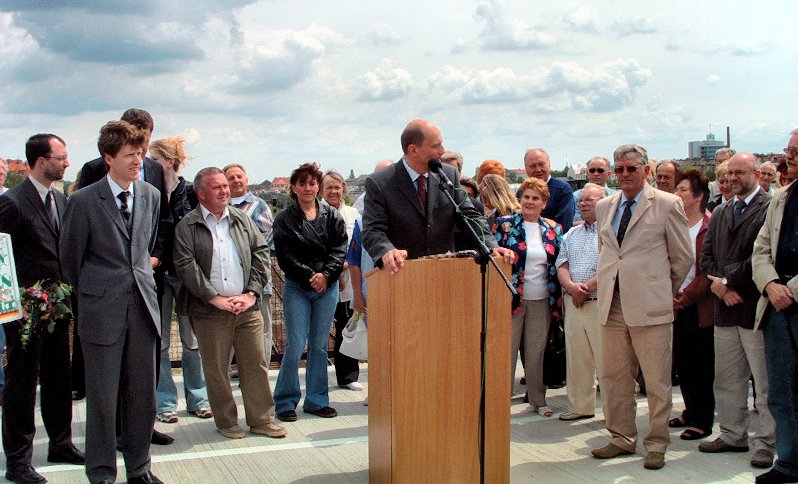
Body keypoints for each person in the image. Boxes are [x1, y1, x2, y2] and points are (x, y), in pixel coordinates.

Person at [60, 121, 163, 484]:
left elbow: (145, 248)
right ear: (108, 158)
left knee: (142, 399)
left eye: (140, 153)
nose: (138, 161)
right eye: (130, 155)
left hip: (143, 310)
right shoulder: (82, 201)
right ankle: (102, 473)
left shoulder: (151, 194)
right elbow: (70, 262)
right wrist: (97, 295)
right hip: (101, 313)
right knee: (103, 400)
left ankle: (139, 469)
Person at [590, 144, 692, 471]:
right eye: (618, 170)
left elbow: (682, 258)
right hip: (612, 305)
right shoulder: (605, 206)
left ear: (646, 171)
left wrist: (661, 290)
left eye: (631, 169)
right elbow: (606, 251)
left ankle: (657, 442)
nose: (624, 175)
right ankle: (621, 436)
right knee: (614, 377)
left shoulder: (667, 203)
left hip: (650, 307)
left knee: (656, 381)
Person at [173, 167, 286, 440]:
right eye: (217, 187)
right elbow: (185, 266)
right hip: (209, 311)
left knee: (256, 364)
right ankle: (226, 422)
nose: (225, 191)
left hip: (248, 307)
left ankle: (262, 420)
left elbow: (260, 253)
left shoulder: (241, 220)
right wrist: (216, 298)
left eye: (226, 186)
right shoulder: (186, 226)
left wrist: (250, 293)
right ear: (201, 193)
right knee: (216, 369)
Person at [0, 134, 85, 484]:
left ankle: (60, 443)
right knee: (21, 384)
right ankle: (18, 460)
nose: (67, 163)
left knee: (58, 377)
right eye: (61, 157)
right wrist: (12, 309)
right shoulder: (12, 203)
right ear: (40, 161)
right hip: (24, 314)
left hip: (58, 309)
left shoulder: (61, 200)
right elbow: (1, 261)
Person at [698, 152, 775, 469]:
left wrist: (728, 281)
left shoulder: (770, 208)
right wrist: (719, 284)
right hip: (724, 310)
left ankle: (766, 442)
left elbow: (763, 256)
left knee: (764, 383)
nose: (731, 178)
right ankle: (732, 434)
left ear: (757, 174)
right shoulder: (720, 211)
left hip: (755, 309)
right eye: (728, 173)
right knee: (727, 379)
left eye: (739, 172)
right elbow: (706, 257)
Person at [362, 119, 510, 274]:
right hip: (401, 276)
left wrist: (491, 246)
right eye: (435, 146)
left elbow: (470, 216)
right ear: (413, 150)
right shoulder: (380, 183)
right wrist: (387, 251)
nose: (442, 151)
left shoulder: (448, 174)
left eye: (441, 144)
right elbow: (372, 230)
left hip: (443, 275)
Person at [272, 163, 348, 422]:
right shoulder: (284, 219)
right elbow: (285, 255)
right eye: (302, 183)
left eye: (312, 183)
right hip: (298, 288)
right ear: (293, 188)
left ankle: (317, 400)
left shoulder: (333, 216)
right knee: (295, 346)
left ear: (318, 187)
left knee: (318, 347)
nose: (308, 188)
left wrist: (326, 275)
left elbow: (340, 250)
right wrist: (310, 276)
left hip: (327, 287)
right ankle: (285, 401)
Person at [148, 137, 211, 425]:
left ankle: (198, 398)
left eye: (155, 158)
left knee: (192, 341)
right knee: (160, 343)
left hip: (187, 276)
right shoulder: (150, 192)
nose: (149, 163)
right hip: (159, 276)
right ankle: (165, 402)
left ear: (170, 161)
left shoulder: (190, 193)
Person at [751, 128, 798, 484]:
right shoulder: (782, 197)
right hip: (777, 310)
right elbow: (761, 249)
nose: (789, 156)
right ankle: (788, 463)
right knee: (780, 391)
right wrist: (770, 284)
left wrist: (790, 290)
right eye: (788, 149)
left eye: (795, 150)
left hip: (790, 300)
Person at [494, 177, 563, 417]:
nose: (530, 202)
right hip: (511, 299)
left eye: (536, 198)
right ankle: (500, 402)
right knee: (506, 352)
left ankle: (538, 400)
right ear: (519, 199)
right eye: (526, 197)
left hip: (542, 299)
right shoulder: (504, 225)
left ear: (544, 203)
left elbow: (558, 265)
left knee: (537, 352)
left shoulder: (554, 229)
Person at [669, 169, 715, 441]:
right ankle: (689, 410)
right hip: (673, 303)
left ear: (698, 196)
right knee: (682, 363)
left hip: (698, 305)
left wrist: (685, 297)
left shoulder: (709, 225)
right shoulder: (675, 223)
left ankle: (702, 419)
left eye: (683, 190)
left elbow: (708, 269)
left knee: (700, 364)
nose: (677, 194)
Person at [555, 183, 605, 421]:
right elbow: (561, 264)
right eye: (581, 201)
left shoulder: (611, 232)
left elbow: (613, 265)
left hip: (600, 303)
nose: (583, 204)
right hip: (575, 303)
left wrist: (588, 288)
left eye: (589, 200)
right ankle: (580, 407)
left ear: (604, 202)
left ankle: (614, 411)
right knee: (577, 359)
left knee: (607, 360)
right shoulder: (570, 234)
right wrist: (572, 288)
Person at [223, 163, 276, 374]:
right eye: (231, 177)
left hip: (258, 282)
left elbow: (264, 241)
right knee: (225, 331)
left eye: (239, 176)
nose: (235, 180)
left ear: (246, 179)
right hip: (226, 284)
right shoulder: (218, 205)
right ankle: (225, 373)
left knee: (261, 329)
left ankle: (258, 372)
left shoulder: (259, 205)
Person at [320, 170, 363, 391]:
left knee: (347, 326)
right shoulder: (315, 213)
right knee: (319, 329)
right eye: (329, 188)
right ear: (321, 190)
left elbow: (356, 246)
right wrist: (334, 271)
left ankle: (347, 376)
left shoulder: (353, 213)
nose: (334, 191)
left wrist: (343, 266)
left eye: (337, 187)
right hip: (325, 280)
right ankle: (317, 379)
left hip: (349, 279)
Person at [522, 148, 574, 232]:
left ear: (549, 164)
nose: (538, 170)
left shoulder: (563, 190)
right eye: (532, 166)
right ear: (526, 168)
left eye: (541, 164)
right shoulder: (522, 191)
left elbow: (563, 226)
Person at [572, 157, 616, 223]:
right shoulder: (576, 196)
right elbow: (575, 221)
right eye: (592, 171)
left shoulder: (616, 196)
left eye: (600, 170)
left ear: (609, 174)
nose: (596, 174)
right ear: (587, 173)